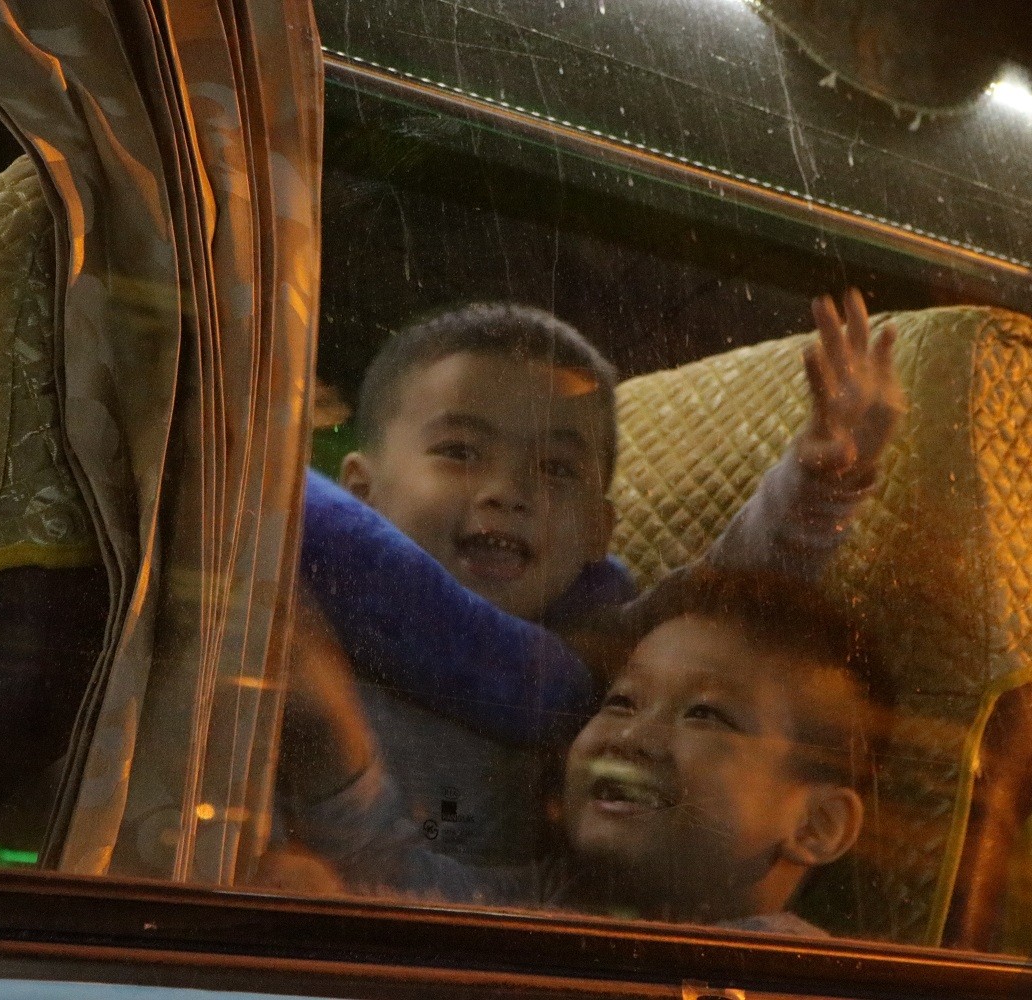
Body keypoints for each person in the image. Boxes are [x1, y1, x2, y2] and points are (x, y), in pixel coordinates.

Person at [294, 291, 901, 864]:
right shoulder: (294, 615)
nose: (510, 491)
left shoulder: (601, 656)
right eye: (460, 451)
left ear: (598, 531)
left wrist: (822, 485)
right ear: (359, 491)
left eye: (557, 468)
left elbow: (725, 599)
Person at [275, 565, 894, 934]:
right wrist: (330, 731)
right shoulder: (550, 897)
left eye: (705, 715)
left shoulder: (786, 968)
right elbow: (399, 882)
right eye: (620, 702)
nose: (630, 737)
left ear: (817, 825)